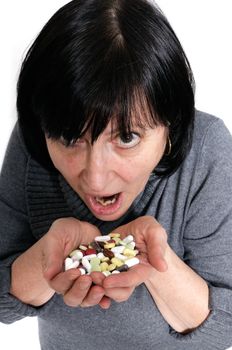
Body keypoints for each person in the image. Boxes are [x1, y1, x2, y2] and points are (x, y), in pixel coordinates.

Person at [0, 0, 232, 349]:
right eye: (69, 138)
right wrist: (46, 257)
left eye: (126, 137)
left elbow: (225, 328)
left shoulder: (207, 149)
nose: (95, 179)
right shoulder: (33, 142)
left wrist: (157, 261)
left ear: (171, 126)